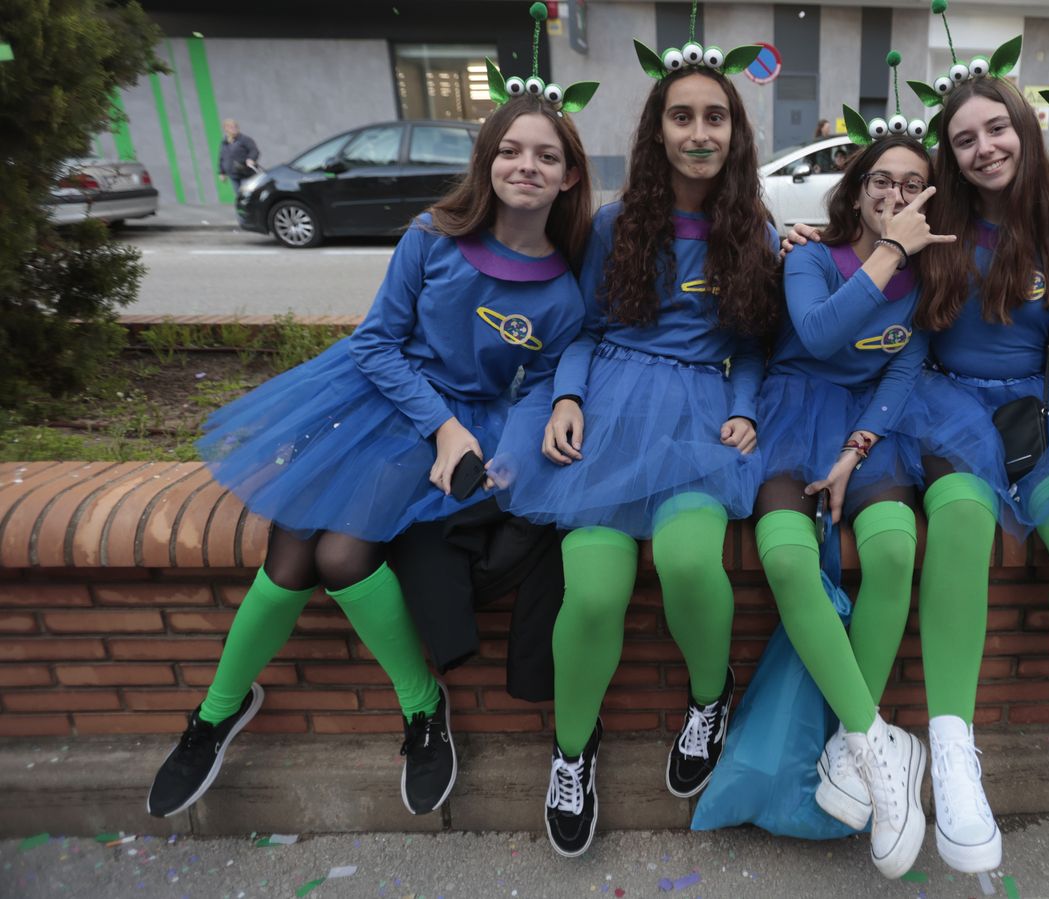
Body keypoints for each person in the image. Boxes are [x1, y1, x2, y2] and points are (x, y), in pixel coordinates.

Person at [145, 92, 594, 819]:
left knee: (342, 557)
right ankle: (217, 713)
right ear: (487, 159)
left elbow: (537, 387)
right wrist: (440, 424)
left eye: (547, 155)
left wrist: (490, 444)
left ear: (570, 177)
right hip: (376, 401)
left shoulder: (563, 293)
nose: (526, 165)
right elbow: (376, 341)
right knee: (289, 559)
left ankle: (422, 706)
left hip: (455, 434)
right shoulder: (434, 234)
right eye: (511, 149)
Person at [489, 36, 780, 857]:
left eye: (714, 117)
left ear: (734, 132)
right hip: (609, 413)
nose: (698, 131)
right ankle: (571, 755)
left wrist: (748, 407)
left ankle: (708, 698)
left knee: (690, 561)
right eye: (681, 115)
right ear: (656, 130)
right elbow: (582, 328)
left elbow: (755, 344)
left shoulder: (753, 228)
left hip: (699, 417)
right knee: (591, 591)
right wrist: (569, 395)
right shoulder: (616, 224)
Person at [901, 55, 1049, 875]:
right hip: (942, 406)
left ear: (1025, 128)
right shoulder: (934, 221)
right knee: (961, 520)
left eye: (996, 126)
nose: (984, 147)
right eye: (964, 138)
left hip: (1036, 415)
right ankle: (953, 749)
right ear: (950, 154)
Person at [759, 128, 944, 878]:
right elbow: (820, 333)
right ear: (857, 186)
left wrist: (858, 447)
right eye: (882, 181)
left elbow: (907, 368)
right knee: (784, 554)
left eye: (912, 185)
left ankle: (846, 747)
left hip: (870, 430)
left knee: (896, 547)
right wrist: (890, 251)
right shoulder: (808, 254)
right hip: (790, 414)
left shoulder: (931, 279)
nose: (895, 196)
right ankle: (877, 740)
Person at [219, 119, 260, 194]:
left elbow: (254, 150)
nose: (234, 129)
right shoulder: (224, 142)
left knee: (248, 194)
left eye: (235, 127)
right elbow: (222, 158)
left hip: (245, 173)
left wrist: (251, 158)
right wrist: (222, 172)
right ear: (226, 129)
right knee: (239, 196)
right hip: (233, 175)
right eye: (231, 127)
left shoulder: (244, 139)